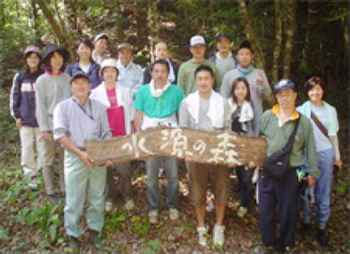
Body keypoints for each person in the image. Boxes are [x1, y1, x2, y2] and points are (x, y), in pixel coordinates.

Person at [53, 71, 112, 251]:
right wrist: (80, 154)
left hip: (97, 155)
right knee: (74, 197)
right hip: (75, 155)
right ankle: (73, 234)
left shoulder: (100, 107)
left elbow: (106, 133)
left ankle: (94, 230)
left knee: (96, 195)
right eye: (76, 83)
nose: (80, 86)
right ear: (71, 87)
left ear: (90, 86)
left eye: (84, 83)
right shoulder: (62, 107)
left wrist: (107, 154)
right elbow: (59, 135)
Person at [258, 79, 319, 252]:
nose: (284, 98)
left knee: (288, 211)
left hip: (293, 171)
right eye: (280, 94)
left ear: (295, 95)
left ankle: (286, 244)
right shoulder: (267, 116)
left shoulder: (304, 122)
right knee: (265, 210)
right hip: (268, 170)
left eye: (288, 94)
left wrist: (312, 173)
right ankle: (269, 242)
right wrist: (254, 162)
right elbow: (258, 141)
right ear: (276, 97)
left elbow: (311, 149)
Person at [179, 65, 231, 246]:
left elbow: (227, 130)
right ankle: (201, 227)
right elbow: (183, 129)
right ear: (196, 81)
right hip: (196, 155)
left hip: (218, 154)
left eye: (206, 79)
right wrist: (186, 151)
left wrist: (226, 154)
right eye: (200, 79)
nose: (203, 82)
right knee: (198, 191)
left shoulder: (223, 102)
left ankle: (219, 226)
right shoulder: (187, 102)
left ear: (212, 81)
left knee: (222, 189)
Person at [134, 59, 184, 224]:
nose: (160, 74)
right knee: (151, 174)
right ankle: (154, 207)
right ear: (151, 73)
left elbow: (182, 114)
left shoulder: (176, 91)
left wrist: (181, 137)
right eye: (156, 71)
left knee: (173, 174)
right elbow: (138, 116)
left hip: (170, 132)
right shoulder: (143, 91)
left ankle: (172, 205)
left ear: (168, 73)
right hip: (150, 134)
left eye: (163, 71)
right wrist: (139, 137)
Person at [298, 76, 342, 246]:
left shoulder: (330, 110)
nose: (315, 92)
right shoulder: (302, 110)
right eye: (311, 89)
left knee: (324, 191)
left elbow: (333, 135)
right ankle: (307, 221)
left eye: (318, 88)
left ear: (323, 90)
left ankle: (322, 225)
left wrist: (337, 156)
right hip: (307, 155)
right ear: (307, 92)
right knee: (308, 189)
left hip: (325, 154)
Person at [90, 58, 135, 212]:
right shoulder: (95, 93)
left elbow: (132, 114)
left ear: (117, 73)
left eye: (112, 71)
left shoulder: (125, 91)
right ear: (102, 74)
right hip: (104, 138)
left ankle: (127, 194)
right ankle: (110, 196)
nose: (109, 74)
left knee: (124, 169)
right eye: (106, 71)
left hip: (122, 136)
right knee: (106, 170)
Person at [35, 44, 71, 204]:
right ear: (48, 60)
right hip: (49, 124)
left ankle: (64, 187)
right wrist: (44, 129)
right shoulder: (42, 80)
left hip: (65, 125)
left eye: (59, 57)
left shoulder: (67, 78)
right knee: (47, 159)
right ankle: (50, 190)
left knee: (65, 158)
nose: (57, 60)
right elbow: (40, 106)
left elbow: (71, 103)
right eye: (53, 57)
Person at [10, 45, 44, 190]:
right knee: (27, 148)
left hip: (41, 121)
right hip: (24, 120)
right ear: (26, 59)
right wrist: (16, 115)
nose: (33, 60)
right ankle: (30, 175)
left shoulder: (43, 76)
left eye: (36, 57)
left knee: (43, 149)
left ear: (39, 60)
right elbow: (14, 97)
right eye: (30, 57)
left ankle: (41, 174)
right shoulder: (20, 77)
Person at [220, 40, 272, 134]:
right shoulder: (229, 75)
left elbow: (267, 94)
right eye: (241, 54)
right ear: (237, 56)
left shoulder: (259, 73)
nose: (244, 57)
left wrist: (261, 85)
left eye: (247, 54)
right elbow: (224, 98)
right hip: (233, 117)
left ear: (252, 56)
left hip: (255, 116)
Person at [228, 77, 255, 218]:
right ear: (233, 90)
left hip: (246, 145)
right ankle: (219, 201)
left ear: (247, 90)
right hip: (230, 144)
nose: (240, 91)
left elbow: (255, 128)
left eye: (243, 88)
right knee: (223, 175)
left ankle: (244, 204)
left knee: (245, 177)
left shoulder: (251, 105)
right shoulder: (227, 104)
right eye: (237, 88)